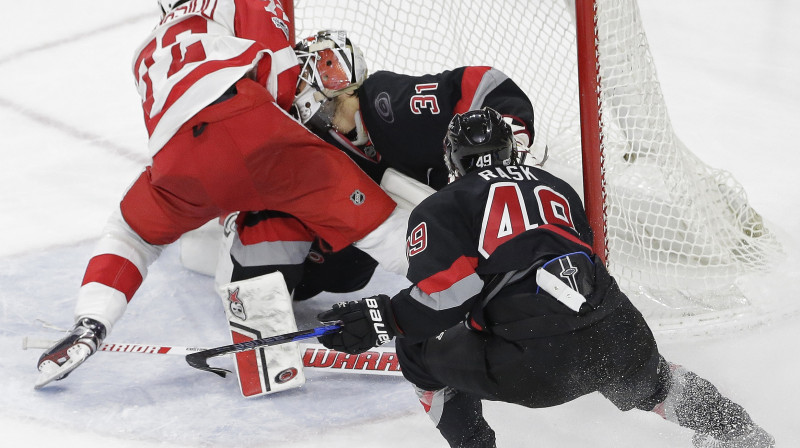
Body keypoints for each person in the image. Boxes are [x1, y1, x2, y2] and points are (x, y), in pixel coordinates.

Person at [315, 108, 775, 448]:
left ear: (455, 159)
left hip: (535, 365)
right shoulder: (558, 186)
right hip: (617, 332)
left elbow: (446, 301)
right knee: (655, 382)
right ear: (511, 149)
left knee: (415, 348)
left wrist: (382, 318)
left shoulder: (443, 206)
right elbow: (583, 258)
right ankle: (741, 433)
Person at [34, 3, 410, 388]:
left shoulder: (145, 49)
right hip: (250, 124)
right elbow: (280, 77)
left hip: (177, 158)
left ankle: (90, 323)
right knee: (378, 222)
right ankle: (457, 297)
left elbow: (176, 116)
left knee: (130, 232)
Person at [217, 30, 540, 302]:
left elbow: (485, 82)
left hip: (470, 211)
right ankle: (257, 301)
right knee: (326, 267)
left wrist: (512, 134)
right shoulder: (319, 138)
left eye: (299, 85)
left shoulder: (387, 99)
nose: (293, 95)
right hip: (375, 237)